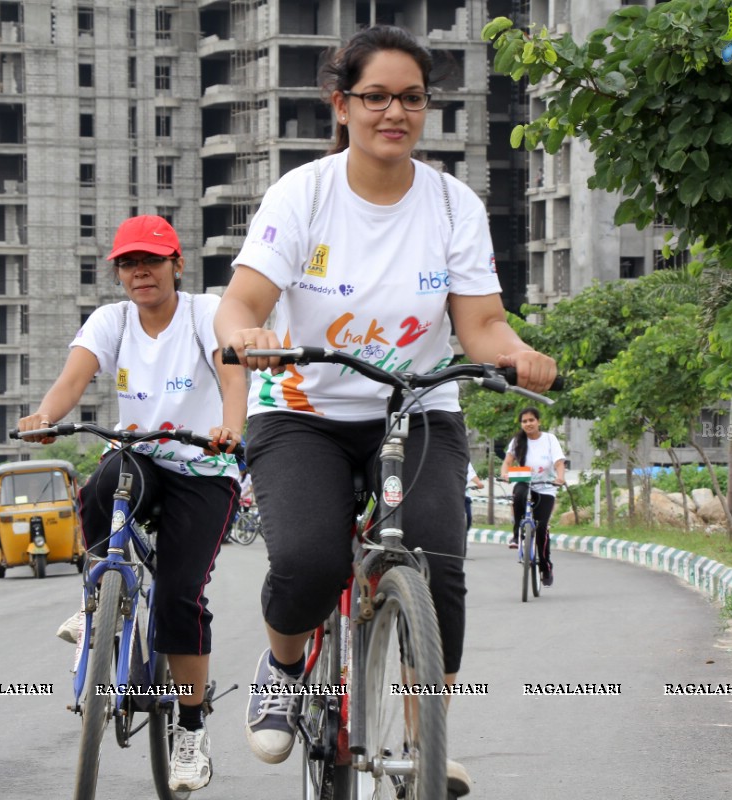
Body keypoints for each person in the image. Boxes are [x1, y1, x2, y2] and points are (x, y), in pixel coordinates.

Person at [213, 26, 558, 796]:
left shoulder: (453, 205)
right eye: (375, 97)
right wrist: (250, 338)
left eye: (410, 98)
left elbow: (480, 324)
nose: (392, 112)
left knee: (438, 562)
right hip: (305, 407)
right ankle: (281, 663)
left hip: (417, 405)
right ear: (342, 104)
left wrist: (516, 351)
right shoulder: (302, 195)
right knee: (305, 561)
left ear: (426, 109)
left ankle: (424, 734)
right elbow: (241, 302)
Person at [16, 214, 246, 793]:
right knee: (102, 481)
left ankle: (191, 728)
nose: (139, 271)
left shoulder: (204, 311)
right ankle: (99, 594)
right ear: (118, 273)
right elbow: (74, 379)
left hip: (201, 466)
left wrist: (231, 426)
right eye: (128, 263)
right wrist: (46, 417)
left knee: (177, 596)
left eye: (151, 260)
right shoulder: (111, 320)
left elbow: (232, 371)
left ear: (176, 264)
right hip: (142, 457)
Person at [499, 407, 566, 587]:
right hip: (524, 481)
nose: (528, 424)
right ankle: (516, 535)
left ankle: (545, 566)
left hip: (546, 487)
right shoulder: (518, 441)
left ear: (538, 421)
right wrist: (505, 474)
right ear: (521, 424)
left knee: (542, 527)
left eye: (531, 420)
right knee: (518, 494)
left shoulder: (550, 439)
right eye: (524, 421)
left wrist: (560, 478)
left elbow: (559, 462)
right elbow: (507, 462)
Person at [464, 462, 485, 531]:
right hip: (450, 493)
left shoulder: (464, 458)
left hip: (463, 493)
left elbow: (471, 474)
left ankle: (465, 534)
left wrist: (478, 483)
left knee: (468, 517)